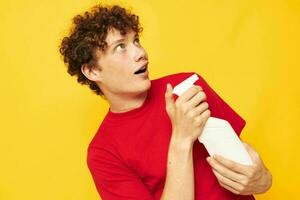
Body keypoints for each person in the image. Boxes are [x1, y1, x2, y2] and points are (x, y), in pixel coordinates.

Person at [59, 4, 272, 200]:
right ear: (92, 70)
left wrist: (263, 179)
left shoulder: (188, 87)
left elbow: (248, 168)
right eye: (120, 47)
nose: (140, 53)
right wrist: (182, 138)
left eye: (136, 41)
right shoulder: (104, 153)